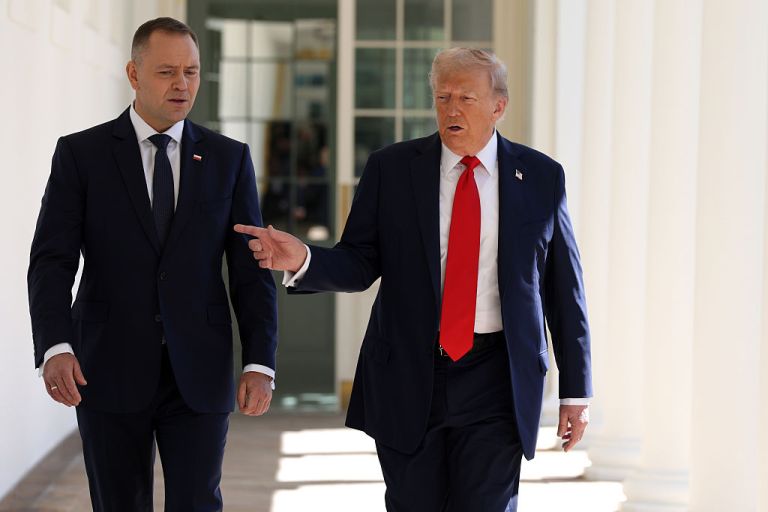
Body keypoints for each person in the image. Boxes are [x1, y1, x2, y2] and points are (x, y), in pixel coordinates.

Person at [235, 48, 592, 511]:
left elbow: (564, 289)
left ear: (498, 106)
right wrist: (304, 257)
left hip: (497, 378)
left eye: (466, 97)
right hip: (408, 371)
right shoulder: (393, 169)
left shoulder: (541, 177)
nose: (451, 108)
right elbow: (360, 261)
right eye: (442, 96)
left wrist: (576, 390)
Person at [28, 17, 277, 512]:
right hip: (106, 365)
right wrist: (55, 345)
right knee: (118, 502)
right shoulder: (82, 155)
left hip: (200, 369)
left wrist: (259, 360)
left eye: (191, 71)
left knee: (198, 502)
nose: (182, 84)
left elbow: (251, 270)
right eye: (167, 71)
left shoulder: (230, 159)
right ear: (134, 73)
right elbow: (52, 261)